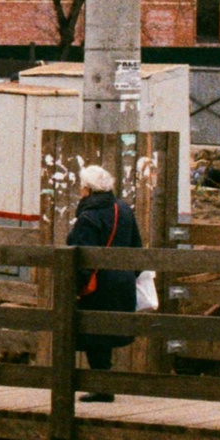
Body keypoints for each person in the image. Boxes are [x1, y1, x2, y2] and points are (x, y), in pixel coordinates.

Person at [66, 163, 140, 403]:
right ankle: (103, 384)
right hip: (123, 280)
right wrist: (129, 274)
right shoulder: (124, 209)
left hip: (98, 284)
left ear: (87, 189)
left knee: (92, 331)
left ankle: (100, 387)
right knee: (104, 332)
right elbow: (137, 248)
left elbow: (83, 257)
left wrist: (76, 288)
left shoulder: (89, 217)